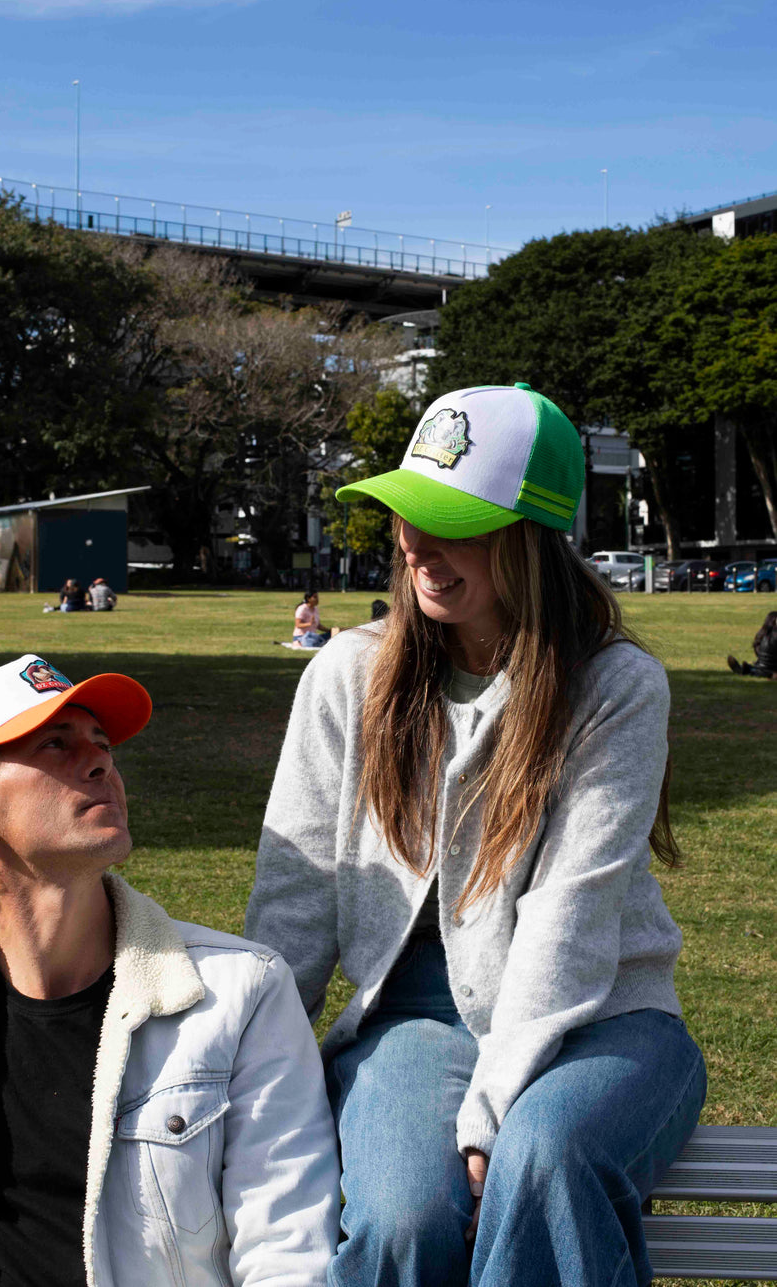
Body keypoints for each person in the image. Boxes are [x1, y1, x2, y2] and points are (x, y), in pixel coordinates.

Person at [247, 383, 706, 1287]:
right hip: (410, 1015)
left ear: (530, 536)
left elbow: (570, 919)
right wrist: (243, 1073)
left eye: (450, 521)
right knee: (402, 1216)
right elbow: (292, 901)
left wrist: (492, 1108)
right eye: (406, 515)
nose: (415, 544)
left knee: (543, 1161)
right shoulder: (349, 673)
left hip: (606, 1014)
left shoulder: (614, 686)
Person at [0, 654, 339, 1286]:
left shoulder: (240, 996)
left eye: (101, 744)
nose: (100, 763)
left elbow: (288, 1252)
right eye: (54, 745)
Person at [727, 609, 777, 678]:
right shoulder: (774, 636)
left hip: (761, 666)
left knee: (759, 669)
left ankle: (748, 669)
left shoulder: (762, 634)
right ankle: (749, 670)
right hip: (771, 669)